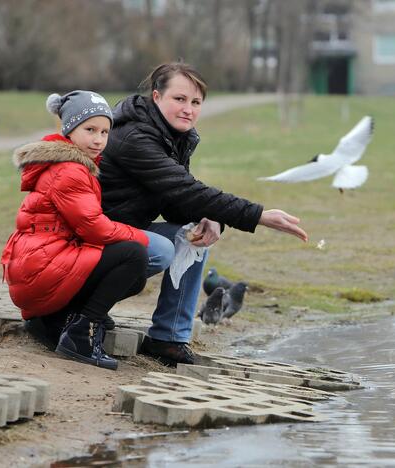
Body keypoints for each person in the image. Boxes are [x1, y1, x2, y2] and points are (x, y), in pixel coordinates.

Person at [99, 62, 308, 367]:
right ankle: (79, 311)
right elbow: (187, 190)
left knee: (191, 237)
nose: (188, 109)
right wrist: (260, 215)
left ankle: (168, 338)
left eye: (195, 102)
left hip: (122, 231)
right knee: (159, 249)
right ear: (156, 97)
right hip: (91, 237)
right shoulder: (135, 137)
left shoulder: (171, 134)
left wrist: (209, 217)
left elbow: (175, 199)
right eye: (179, 99)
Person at [1, 91, 150, 370]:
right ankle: (80, 335)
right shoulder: (71, 170)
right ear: (69, 130)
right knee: (134, 256)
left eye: (105, 132)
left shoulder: (73, 163)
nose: (98, 139)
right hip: (39, 270)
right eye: (90, 129)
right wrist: (141, 237)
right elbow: (94, 228)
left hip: (37, 266)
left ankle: (57, 320)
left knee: (134, 270)